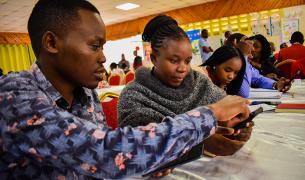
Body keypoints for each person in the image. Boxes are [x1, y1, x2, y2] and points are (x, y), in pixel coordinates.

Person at [0, 0, 250, 179]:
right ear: (52, 43)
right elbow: (106, 153)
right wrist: (209, 116)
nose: (102, 57)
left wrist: (152, 162)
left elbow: (99, 163)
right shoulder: (13, 97)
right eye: (94, 46)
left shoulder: (84, 93)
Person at [118, 15, 253, 158]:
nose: (182, 68)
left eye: (187, 61)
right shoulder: (133, 95)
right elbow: (137, 146)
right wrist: (200, 142)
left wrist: (238, 124)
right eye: (174, 60)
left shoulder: (199, 81)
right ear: (154, 59)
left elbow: (226, 105)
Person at [226, 33, 292, 98]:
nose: (252, 49)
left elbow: (258, 79)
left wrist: (275, 84)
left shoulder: (248, 65)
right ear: (235, 46)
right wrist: (243, 55)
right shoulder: (229, 65)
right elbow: (243, 93)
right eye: (248, 44)